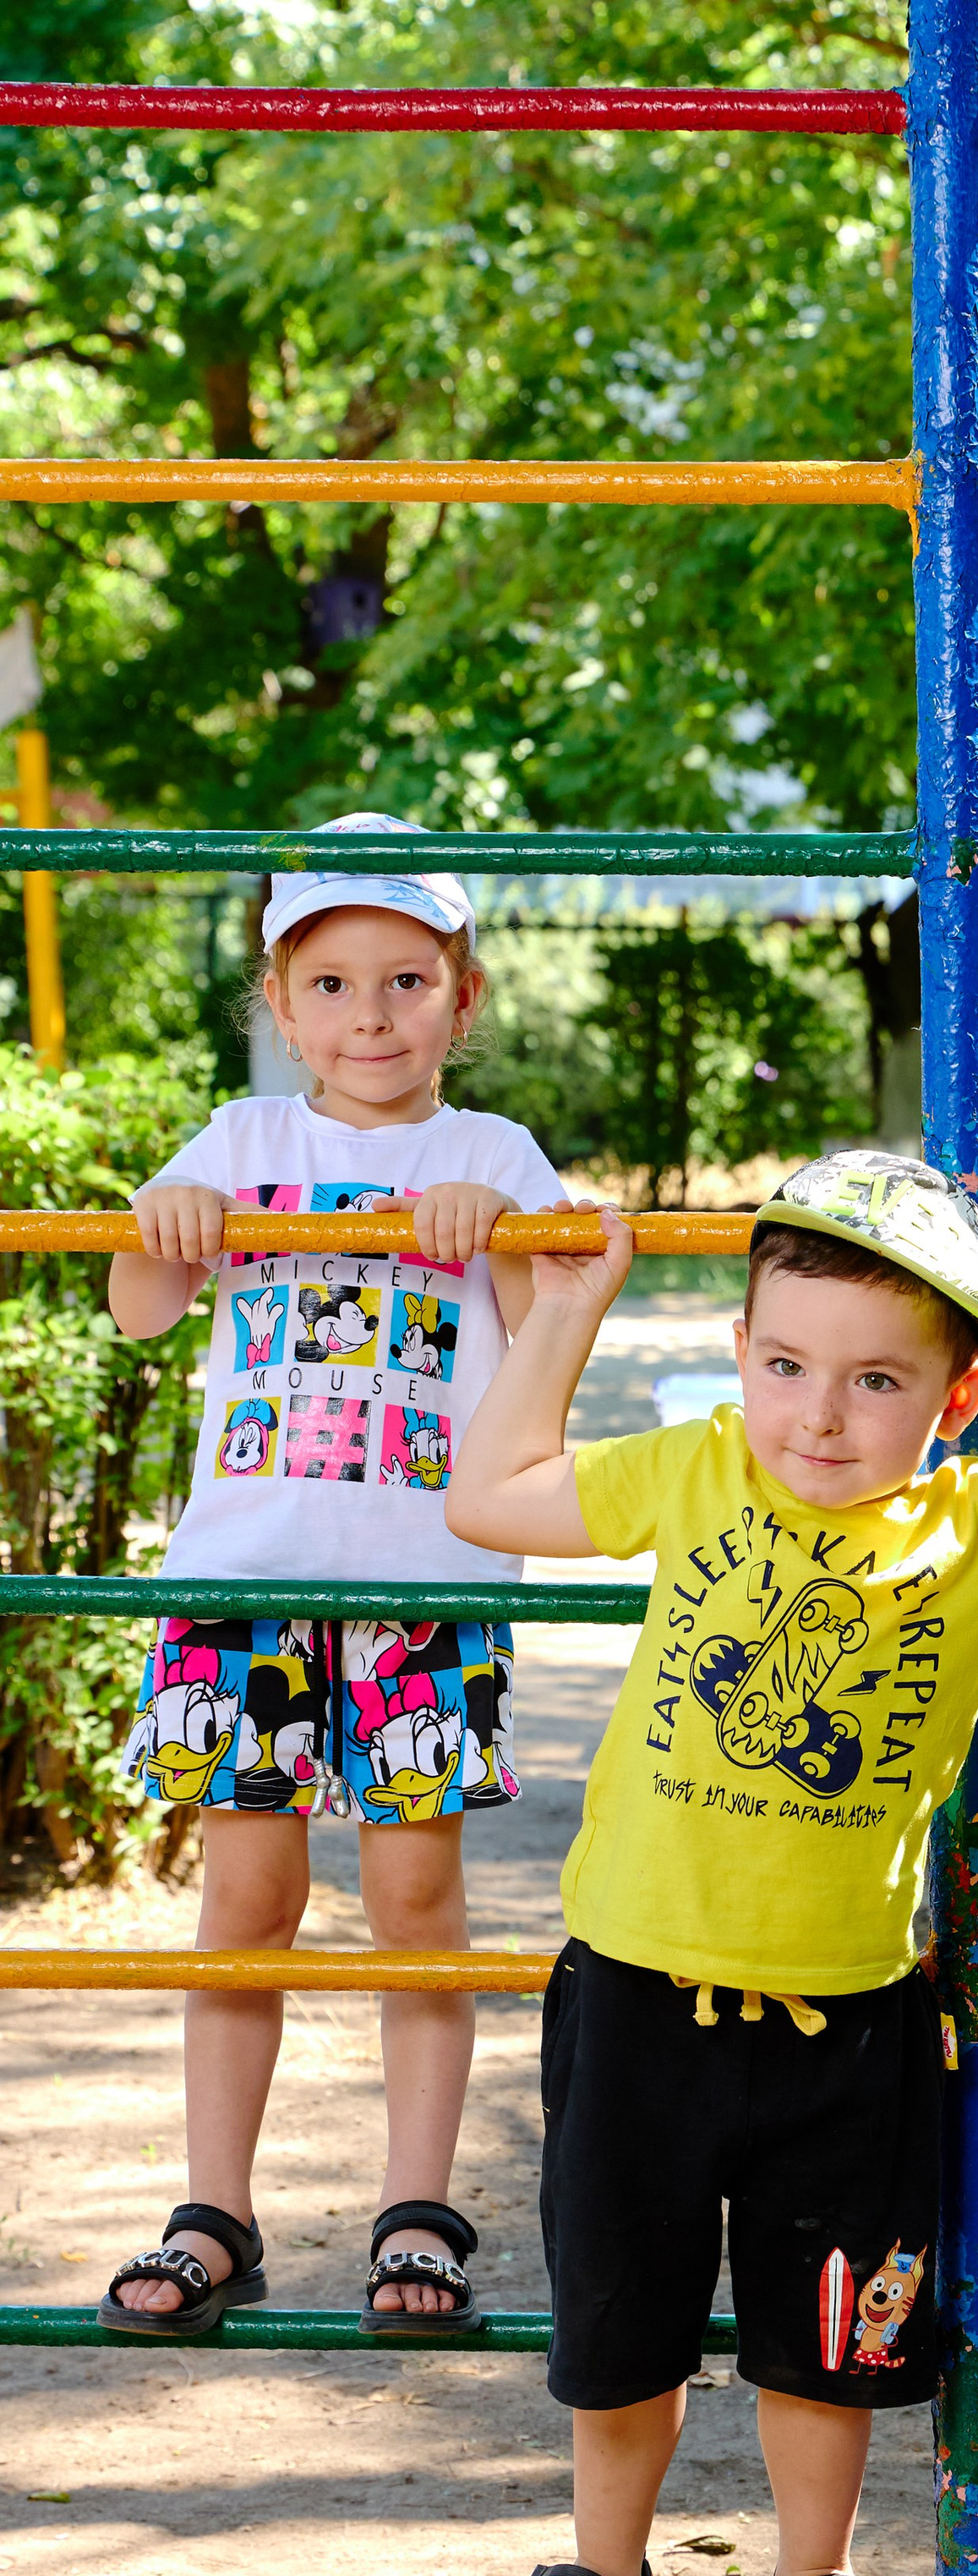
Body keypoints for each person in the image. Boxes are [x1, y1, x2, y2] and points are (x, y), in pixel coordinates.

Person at [437, 1149, 978, 2576]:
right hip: (637, 1991)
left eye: (875, 1380)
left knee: (833, 2333)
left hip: (851, 2021)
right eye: (784, 1365)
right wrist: (570, 1312)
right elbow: (485, 1501)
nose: (817, 1414)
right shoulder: (693, 1471)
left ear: (955, 1399)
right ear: (740, 1359)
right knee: (621, 2322)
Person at [99, 813, 565, 2342]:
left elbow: (557, 1324)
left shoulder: (492, 1158)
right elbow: (140, 1309)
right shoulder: (239, 1147)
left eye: (410, 983)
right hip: (250, 1571)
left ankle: (417, 2210)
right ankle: (213, 2205)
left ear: (464, 998)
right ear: (280, 1003)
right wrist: (165, 1226)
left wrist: (493, 1240)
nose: (373, 1017)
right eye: (336, 986)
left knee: (418, 1894)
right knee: (249, 1891)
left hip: (428, 1581)